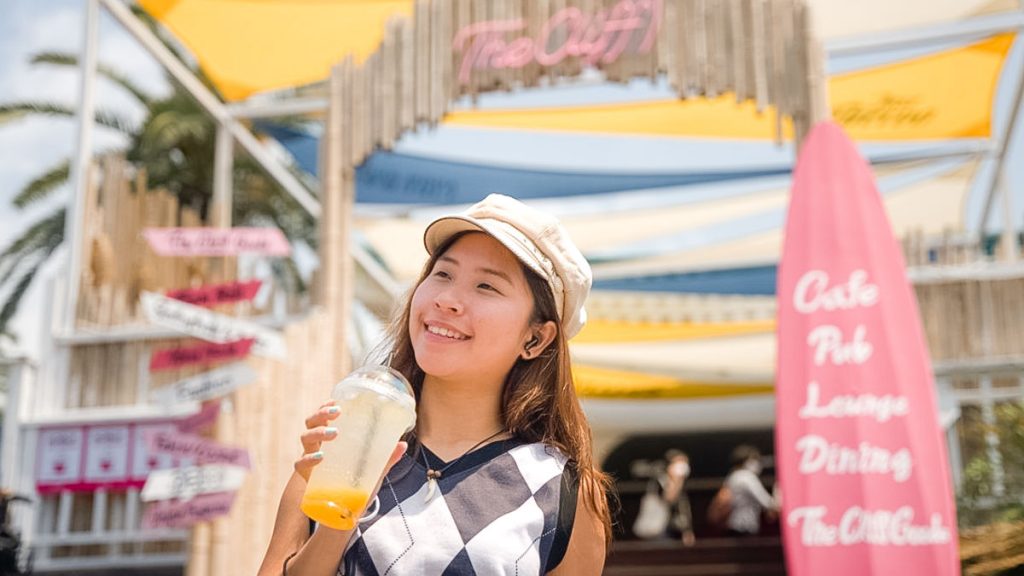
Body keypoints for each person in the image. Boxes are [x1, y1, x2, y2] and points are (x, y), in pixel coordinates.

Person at [258, 194, 612, 576]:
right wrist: (337, 520)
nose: (447, 300)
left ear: (536, 339)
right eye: (442, 274)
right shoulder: (339, 446)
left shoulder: (566, 489)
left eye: (486, 287)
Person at [722, 445, 777, 537]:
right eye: (754, 460)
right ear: (745, 461)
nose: (757, 463)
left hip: (733, 524)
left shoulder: (733, 476)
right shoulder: (746, 477)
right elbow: (766, 502)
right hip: (743, 527)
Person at [660, 450, 695, 546]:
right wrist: (677, 480)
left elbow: (684, 509)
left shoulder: (684, 485)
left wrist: (687, 531)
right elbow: (669, 499)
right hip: (662, 528)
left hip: (678, 528)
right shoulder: (661, 480)